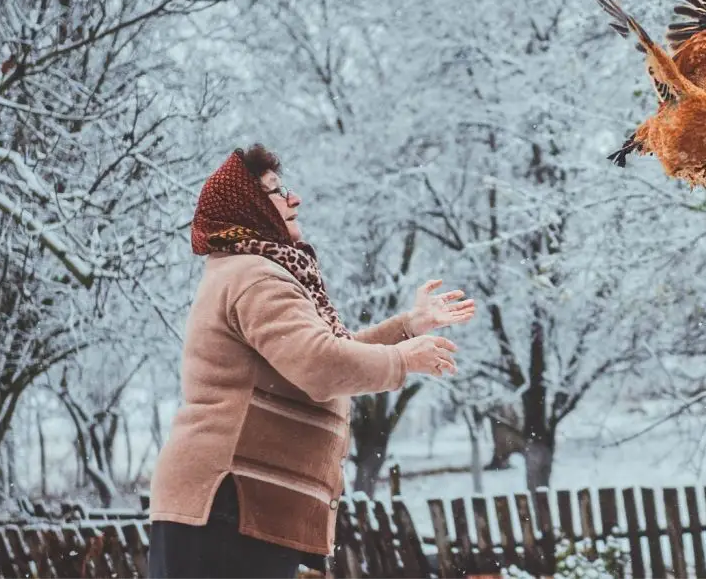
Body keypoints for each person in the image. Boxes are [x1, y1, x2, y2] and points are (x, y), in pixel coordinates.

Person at [148, 144, 475, 578]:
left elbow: (318, 355)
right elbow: (320, 367)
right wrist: (400, 359)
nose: (293, 198)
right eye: (276, 192)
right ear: (249, 208)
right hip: (228, 502)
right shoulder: (256, 276)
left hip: (231, 507)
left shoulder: (249, 270)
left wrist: (407, 329)